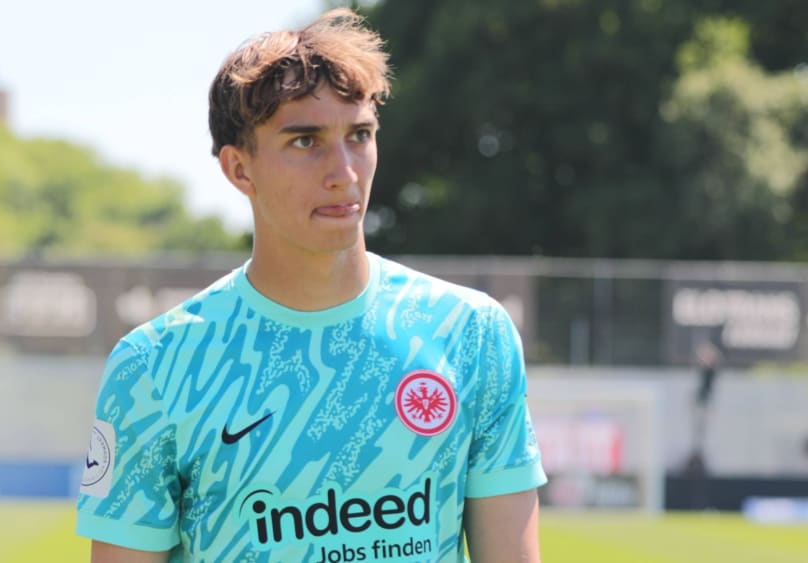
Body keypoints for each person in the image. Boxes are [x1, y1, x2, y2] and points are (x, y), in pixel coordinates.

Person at [76, 8, 546, 562]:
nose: (344, 171)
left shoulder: (471, 334)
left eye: (360, 135)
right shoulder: (155, 366)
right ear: (239, 169)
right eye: (306, 141)